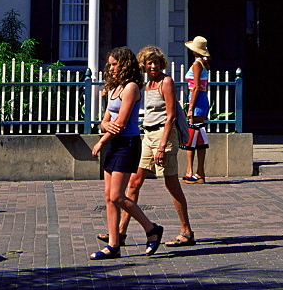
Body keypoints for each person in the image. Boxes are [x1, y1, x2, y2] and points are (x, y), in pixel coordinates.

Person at [113, 46, 195, 247]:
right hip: (147, 134)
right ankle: (121, 232)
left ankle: (186, 231)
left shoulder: (165, 82)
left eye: (156, 62)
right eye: (149, 63)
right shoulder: (146, 84)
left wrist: (162, 145)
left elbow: (171, 116)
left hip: (163, 135)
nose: (153, 66)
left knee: (171, 183)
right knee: (134, 181)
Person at [90, 46, 163, 259]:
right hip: (115, 143)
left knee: (118, 196)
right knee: (108, 197)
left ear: (125, 64)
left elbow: (121, 123)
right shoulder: (113, 88)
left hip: (127, 144)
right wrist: (106, 127)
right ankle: (114, 245)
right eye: (110, 65)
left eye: (115, 64)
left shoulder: (131, 87)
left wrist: (101, 142)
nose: (111, 68)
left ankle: (151, 229)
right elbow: (105, 120)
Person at [181, 35, 210, 184]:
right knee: (199, 134)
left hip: (197, 100)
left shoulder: (197, 64)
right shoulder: (204, 64)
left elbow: (196, 87)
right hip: (202, 99)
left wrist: (191, 106)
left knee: (191, 135)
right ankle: (200, 171)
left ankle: (190, 170)